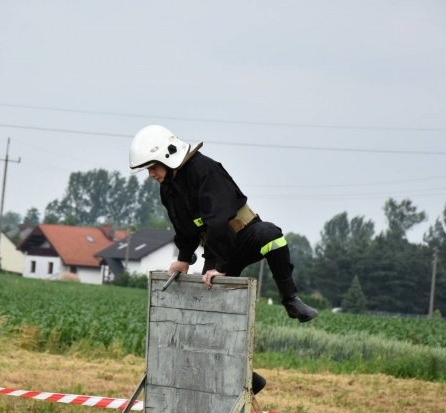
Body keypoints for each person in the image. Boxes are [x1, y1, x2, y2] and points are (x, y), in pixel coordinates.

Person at [129, 125, 319, 394]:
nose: (151, 175)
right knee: (210, 314)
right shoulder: (168, 188)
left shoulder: (204, 170)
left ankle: (291, 300)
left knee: (273, 236)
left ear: (167, 156)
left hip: (243, 234)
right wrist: (184, 258)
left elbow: (217, 219)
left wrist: (216, 265)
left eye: (152, 167)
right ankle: (247, 375)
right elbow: (184, 228)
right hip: (217, 247)